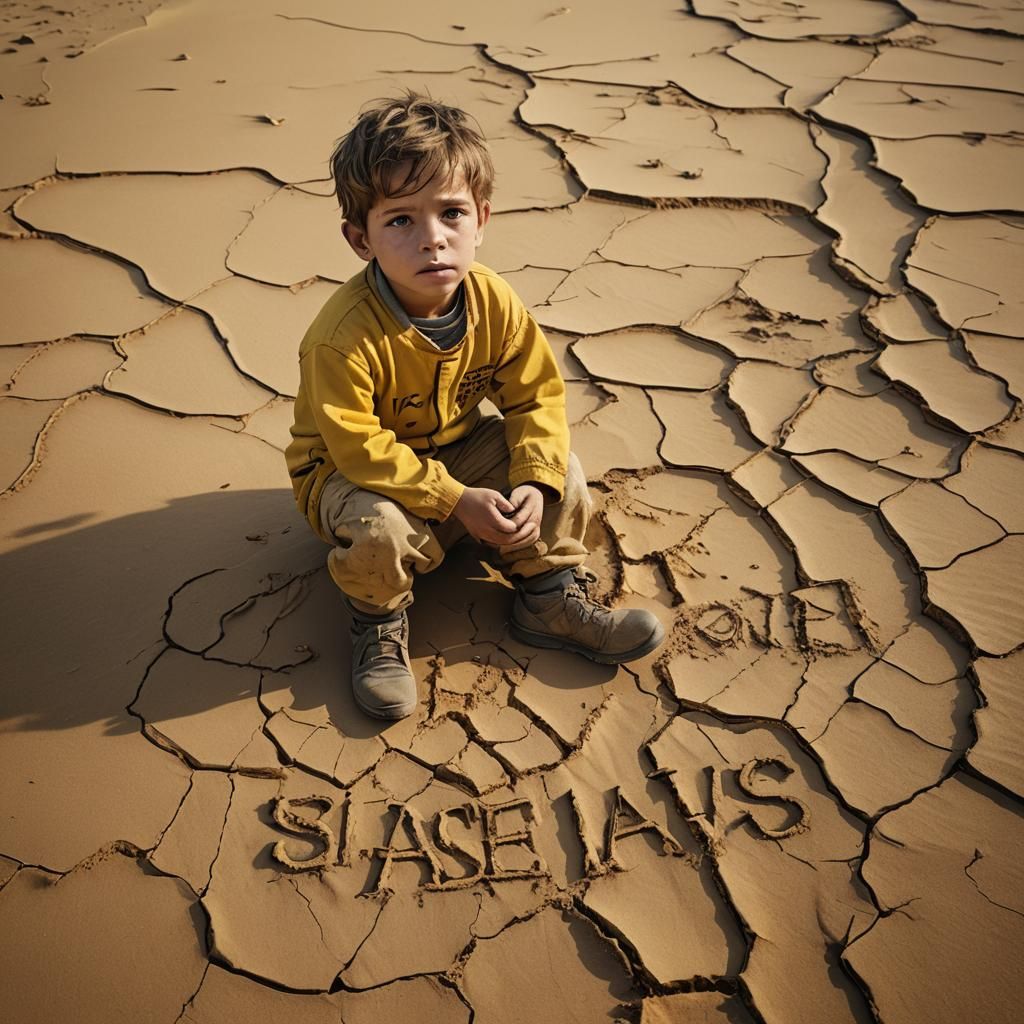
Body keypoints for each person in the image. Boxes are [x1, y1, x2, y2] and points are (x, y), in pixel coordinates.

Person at [286, 93, 665, 720]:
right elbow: (358, 448)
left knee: (556, 468)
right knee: (381, 530)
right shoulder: (341, 337)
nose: (432, 240)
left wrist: (532, 485)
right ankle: (377, 624)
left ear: (481, 219)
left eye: (451, 213)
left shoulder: (494, 301)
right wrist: (455, 500)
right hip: (347, 477)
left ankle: (547, 594)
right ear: (361, 238)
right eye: (401, 220)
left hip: (457, 449)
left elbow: (535, 395)